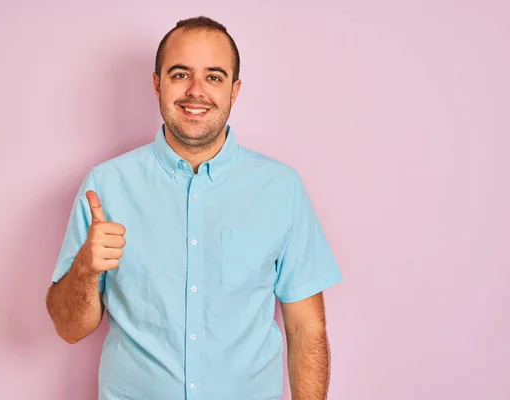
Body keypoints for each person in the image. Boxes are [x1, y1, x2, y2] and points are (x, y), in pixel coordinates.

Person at [46, 15, 343, 400]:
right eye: (180, 74)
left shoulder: (281, 189)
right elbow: (70, 329)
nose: (196, 91)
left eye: (214, 77)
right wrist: (85, 268)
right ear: (157, 84)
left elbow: (306, 330)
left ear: (234, 91)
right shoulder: (105, 187)